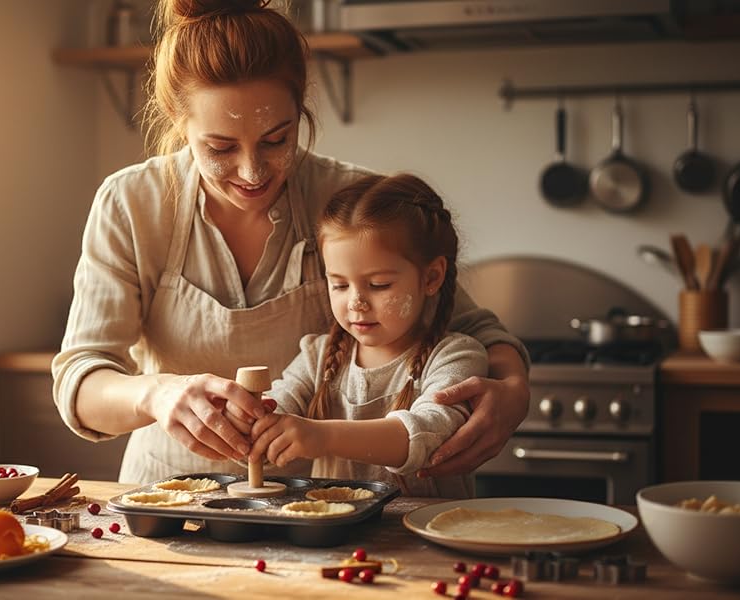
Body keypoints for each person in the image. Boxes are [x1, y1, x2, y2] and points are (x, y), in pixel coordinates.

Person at [52, 0, 530, 485]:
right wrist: (154, 393)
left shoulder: (350, 203)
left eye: (277, 139)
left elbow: (473, 329)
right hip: (170, 496)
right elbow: (81, 380)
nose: (253, 172)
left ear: (301, 107)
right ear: (179, 120)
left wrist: (513, 390)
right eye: (220, 148)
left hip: (323, 502)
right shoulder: (133, 202)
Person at [244, 173, 487, 497]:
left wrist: (323, 436)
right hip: (337, 542)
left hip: (426, 539)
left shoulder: (456, 358)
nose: (356, 301)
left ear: (431, 277)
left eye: (378, 285)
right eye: (340, 284)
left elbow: (428, 434)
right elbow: (282, 404)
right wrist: (251, 421)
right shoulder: (317, 356)